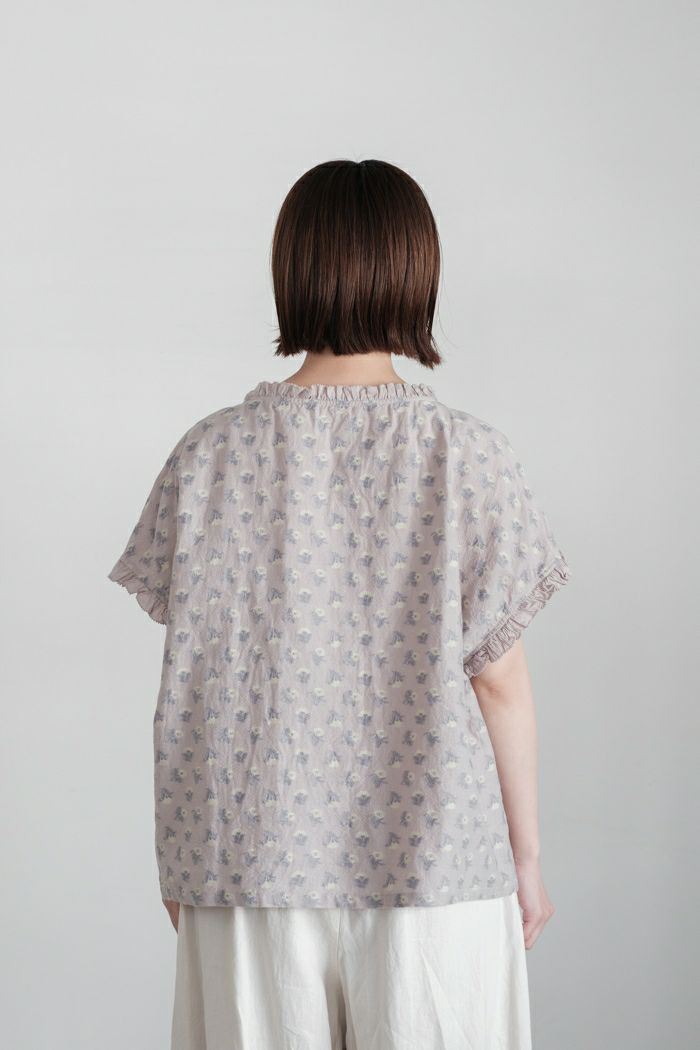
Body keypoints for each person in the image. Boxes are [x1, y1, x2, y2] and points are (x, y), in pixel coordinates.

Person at [108, 159, 571, 1050]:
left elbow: (190, 677)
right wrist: (527, 860)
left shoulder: (209, 456)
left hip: (249, 856)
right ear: (417, 272)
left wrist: (179, 855)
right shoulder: (470, 456)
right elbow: (500, 681)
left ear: (291, 270)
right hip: (437, 863)